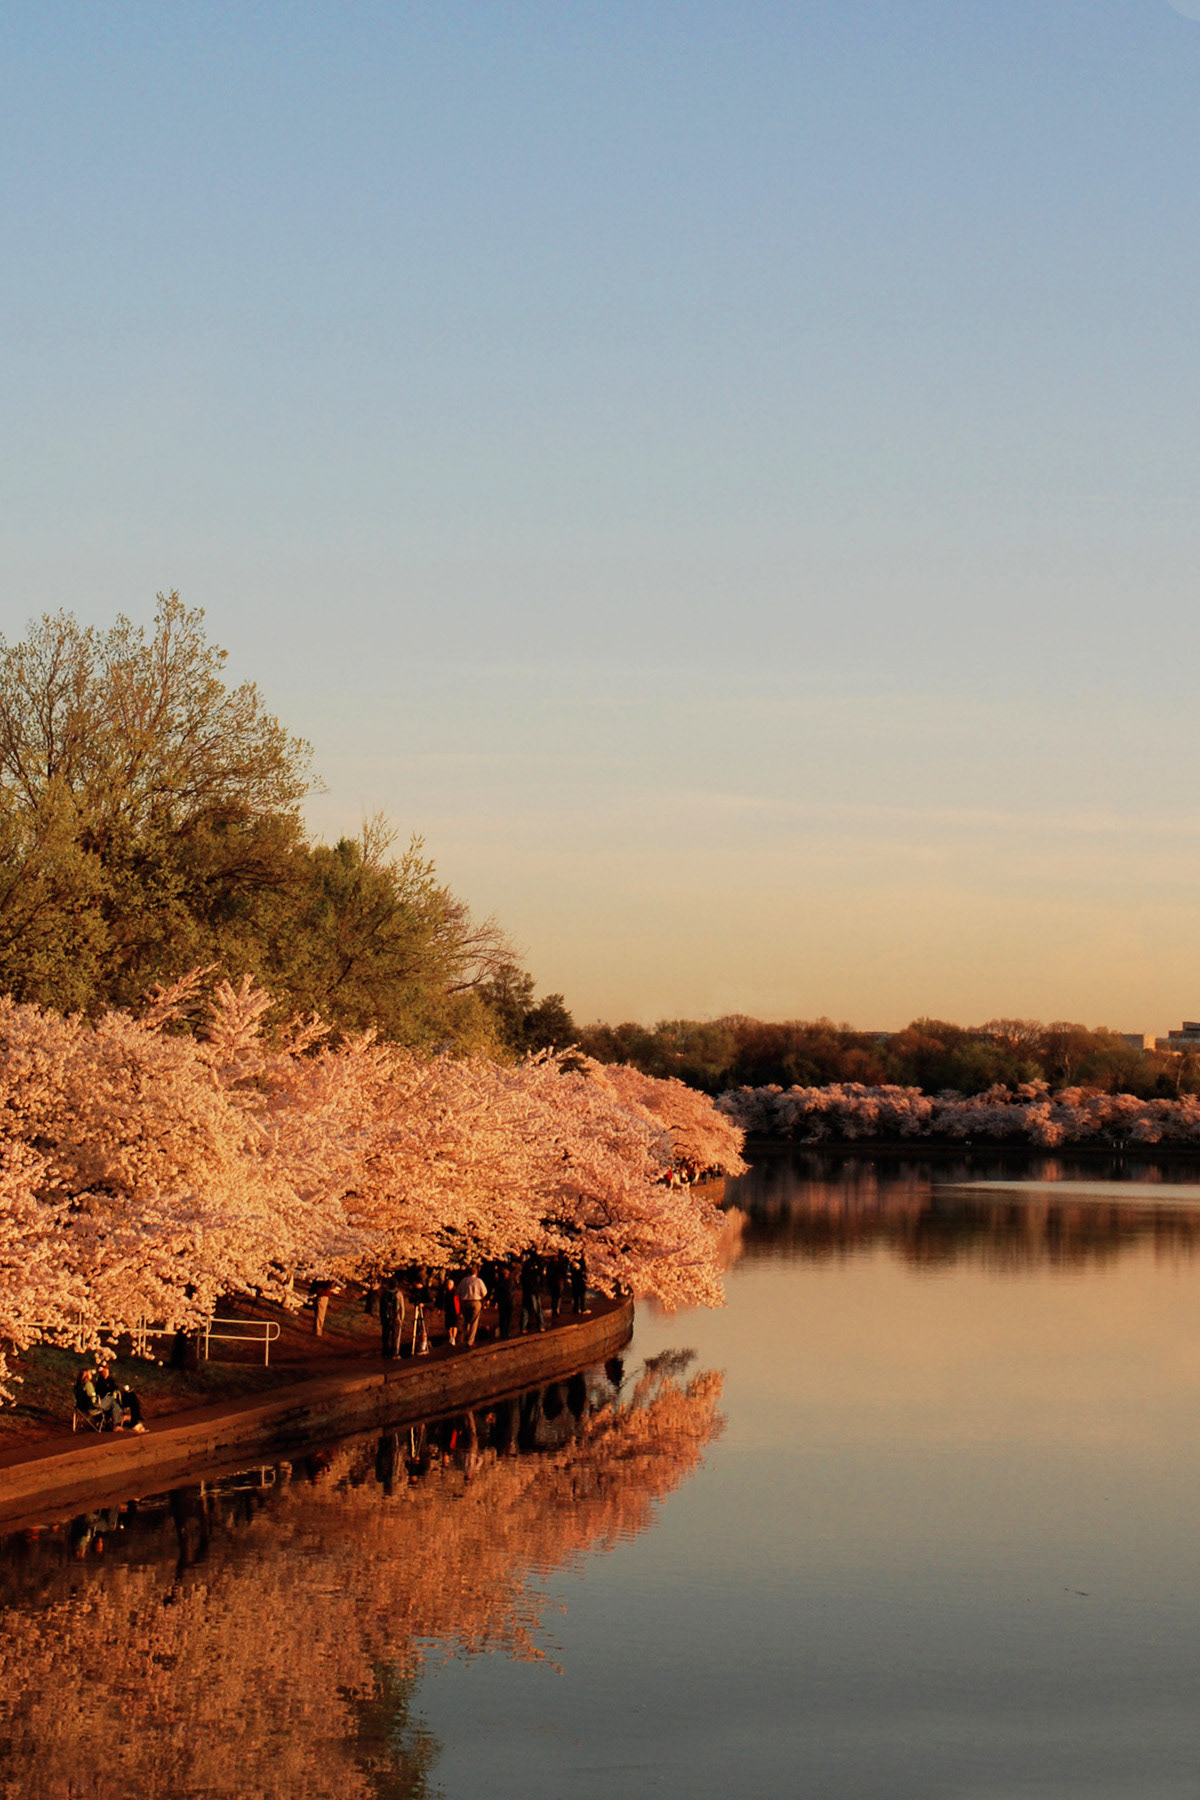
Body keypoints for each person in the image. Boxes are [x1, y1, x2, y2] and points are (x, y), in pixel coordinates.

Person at [456, 1265, 488, 1347]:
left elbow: (458, 1291)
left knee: (464, 1321)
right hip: (475, 1301)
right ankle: (470, 1341)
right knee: (474, 1321)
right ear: (476, 1273)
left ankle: (461, 1339)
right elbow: (484, 1293)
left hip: (464, 1301)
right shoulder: (478, 1281)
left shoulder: (464, 1281)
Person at [379, 1275, 403, 1359]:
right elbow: (402, 1307)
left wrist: (382, 1317)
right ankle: (395, 1353)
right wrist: (401, 1319)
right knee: (395, 1337)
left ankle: (385, 1353)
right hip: (396, 1318)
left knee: (385, 1337)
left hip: (386, 1318)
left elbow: (381, 1307)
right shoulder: (398, 1294)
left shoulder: (384, 1294)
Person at [520, 1253, 544, 1334]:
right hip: (534, 1292)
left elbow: (522, 1279)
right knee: (537, 1310)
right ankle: (541, 1325)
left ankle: (524, 1327)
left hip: (527, 1291)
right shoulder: (536, 1268)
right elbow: (540, 1279)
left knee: (526, 1310)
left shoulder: (526, 1267)